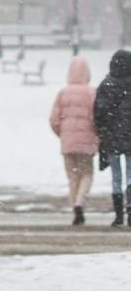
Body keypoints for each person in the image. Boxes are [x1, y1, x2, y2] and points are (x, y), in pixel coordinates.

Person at [49, 55, 98, 225]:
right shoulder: (92, 93)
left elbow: (54, 119)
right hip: (86, 143)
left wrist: (63, 134)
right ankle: (80, 203)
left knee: (72, 176)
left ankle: (74, 208)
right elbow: (96, 118)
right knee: (87, 174)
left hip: (68, 143)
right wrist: (95, 136)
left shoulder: (63, 93)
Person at [94, 49, 131, 227]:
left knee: (116, 177)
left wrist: (103, 131)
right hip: (130, 137)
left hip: (112, 138)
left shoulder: (106, 84)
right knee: (130, 176)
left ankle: (118, 216)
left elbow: (99, 112)